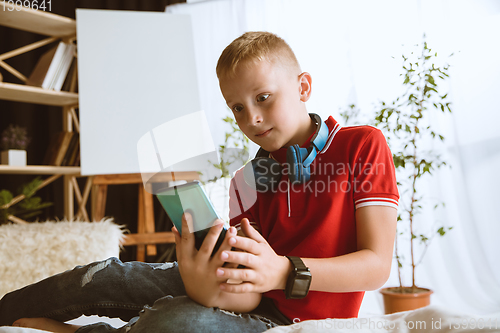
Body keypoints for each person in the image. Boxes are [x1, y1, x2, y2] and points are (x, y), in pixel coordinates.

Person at [0, 31, 399, 333]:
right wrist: (202, 283)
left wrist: (281, 272)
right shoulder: (247, 179)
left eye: (263, 98)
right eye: (237, 108)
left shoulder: (362, 145)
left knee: (175, 320)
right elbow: (246, 288)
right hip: (242, 294)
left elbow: (377, 266)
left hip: (285, 320)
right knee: (103, 275)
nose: (251, 119)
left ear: (303, 87)